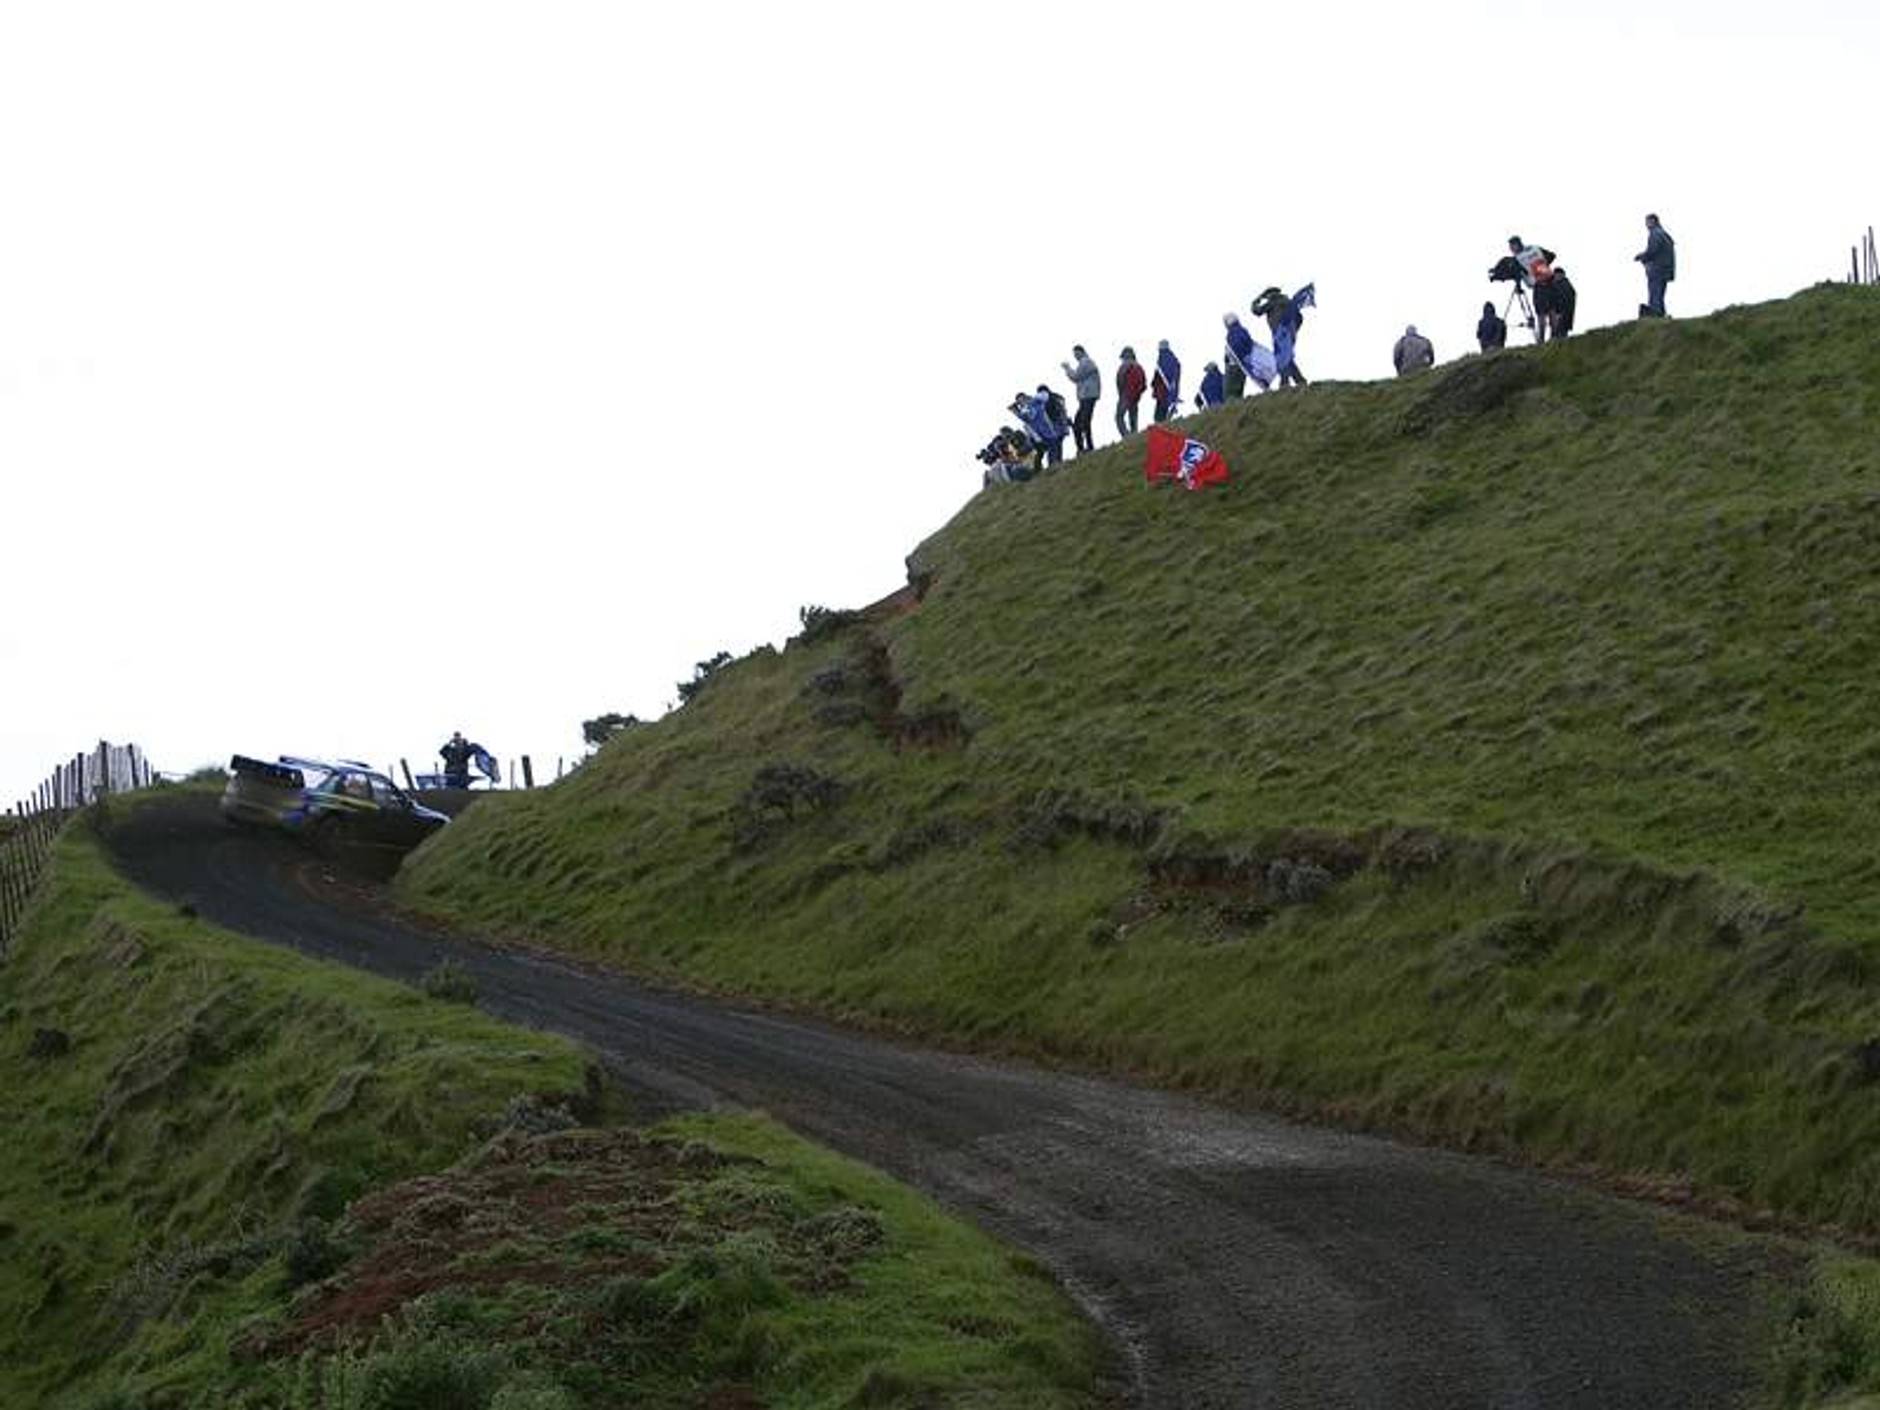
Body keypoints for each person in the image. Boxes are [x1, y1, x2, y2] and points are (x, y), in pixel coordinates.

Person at [1251, 285, 1310, 386]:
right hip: (1289, 333)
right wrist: (1293, 330)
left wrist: (1257, 299)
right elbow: (1300, 318)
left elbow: (1256, 311)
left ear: (1269, 294)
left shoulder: (1273, 302)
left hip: (1280, 332)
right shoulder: (1288, 302)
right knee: (1287, 356)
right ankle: (1299, 380)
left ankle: (1285, 382)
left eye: (1266, 295)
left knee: (1281, 357)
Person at [1504, 235, 1559, 342]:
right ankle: (1555, 337)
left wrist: (1519, 286)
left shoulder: (1518, 258)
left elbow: (1517, 275)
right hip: (1549, 279)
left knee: (1541, 314)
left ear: (1516, 245)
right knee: (1552, 311)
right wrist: (1543, 267)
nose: (1511, 250)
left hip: (1538, 286)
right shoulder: (1535, 248)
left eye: (1511, 247)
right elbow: (1552, 255)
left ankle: (1541, 340)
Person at [1060, 345, 1101, 454]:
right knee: (1081, 422)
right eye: (1074, 355)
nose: (1075, 356)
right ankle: (1083, 448)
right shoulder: (1086, 362)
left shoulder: (1085, 361)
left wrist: (1067, 368)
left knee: (1083, 422)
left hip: (1087, 395)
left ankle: (1087, 447)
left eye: (1076, 354)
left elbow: (1075, 377)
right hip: (1088, 396)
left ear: (1081, 352)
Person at [1635, 213, 1675, 317]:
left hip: (1657, 269)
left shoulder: (1655, 233)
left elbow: (1652, 250)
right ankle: (1661, 315)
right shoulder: (1665, 234)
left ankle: (1655, 315)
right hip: (1666, 269)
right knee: (1660, 294)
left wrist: (1641, 257)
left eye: (1647, 222)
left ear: (1653, 221)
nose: (1646, 225)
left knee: (1654, 293)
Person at [1223, 313, 1272, 394]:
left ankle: (1266, 388)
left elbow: (1235, 347)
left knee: (1254, 374)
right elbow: (1248, 341)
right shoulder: (1242, 329)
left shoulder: (1231, 334)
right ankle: (1266, 387)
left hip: (1242, 359)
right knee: (1258, 371)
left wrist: (1240, 356)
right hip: (1249, 355)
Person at [1538, 267, 1577, 339]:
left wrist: (1558, 310)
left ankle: (1557, 340)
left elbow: (1565, 298)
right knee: (1559, 330)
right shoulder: (1562, 284)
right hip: (1561, 312)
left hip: (1561, 311)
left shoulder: (1562, 284)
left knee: (1559, 330)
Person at [1115, 347, 1147, 437]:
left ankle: (1126, 435)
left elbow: (1120, 381)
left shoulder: (1124, 366)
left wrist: (1121, 393)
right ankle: (1134, 435)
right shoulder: (1139, 366)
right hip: (1136, 396)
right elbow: (1144, 383)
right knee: (1133, 417)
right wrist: (1138, 392)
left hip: (1125, 395)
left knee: (1119, 417)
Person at [1038, 384, 1071, 468]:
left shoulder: (1050, 399)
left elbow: (1053, 412)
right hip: (1060, 424)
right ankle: (1057, 462)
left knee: (1054, 445)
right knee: (1057, 444)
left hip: (1055, 424)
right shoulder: (1056, 397)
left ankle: (1053, 463)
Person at [1152, 340, 1181, 422]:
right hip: (1164, 390)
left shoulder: (1164, 358)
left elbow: (1161, 375)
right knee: (1161, 414)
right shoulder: (1172, 359)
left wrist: (1155, 383)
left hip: (1163, 390)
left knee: (1159, 415)